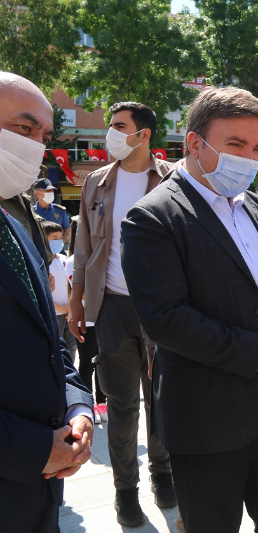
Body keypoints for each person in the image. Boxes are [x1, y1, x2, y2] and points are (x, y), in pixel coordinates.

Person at [120, 86, 258, 533]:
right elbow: (166, 318)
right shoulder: (152, 218)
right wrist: (257, 354)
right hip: (207, 418)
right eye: (235, 145)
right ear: (194, 143)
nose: (249, 159)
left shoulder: (256, 205)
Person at [69, 100, 176, 526]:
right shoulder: (96, 182)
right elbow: (83, 248)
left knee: (162, 400)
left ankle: (163, 474)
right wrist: (77, 301)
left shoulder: (174, 179)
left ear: (143, 134)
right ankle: (125, 491)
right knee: (121, 405)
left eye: (118, 126)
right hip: (111, 306)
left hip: (164, 310)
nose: (110, 133)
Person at [0, 70, 95, 533]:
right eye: (24, 129)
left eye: (44, 134)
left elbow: (46, 336)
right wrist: (31, 448)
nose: (36, 147)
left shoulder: (15, 224)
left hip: (38, 489)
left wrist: (78, 407)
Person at [65, 215, 107, 422]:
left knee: (103, 362)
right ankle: (88, 403)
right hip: (85, 321)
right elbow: (79, 293)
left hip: (105, 318)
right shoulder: (73, 261)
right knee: (86, 364)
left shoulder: (103, 254)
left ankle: (102, 403)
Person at [43, 220, 78, 361]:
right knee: (57, 346)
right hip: (54, 312)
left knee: (71, 345)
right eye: (54, 239)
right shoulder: (42, 261)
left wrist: (69, 307)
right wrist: (59, 307)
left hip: (68, 312)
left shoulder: (64, 259)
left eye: (60, 238)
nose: (59, 241)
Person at [33, 177, 71, 244]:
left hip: (57, 250)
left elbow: (67, 230)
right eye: (47, 191)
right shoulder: (31, 211)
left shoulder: (60, 210)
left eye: (52, 190)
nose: (51, 193)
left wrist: (60, 244)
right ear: (37, 193)